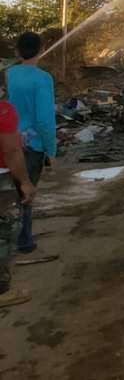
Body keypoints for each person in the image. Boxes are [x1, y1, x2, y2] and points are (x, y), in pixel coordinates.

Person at [5, 32, 56, 254]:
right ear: (41, 50)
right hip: (31, 145)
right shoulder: (43, 79)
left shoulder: (8, 74)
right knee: (26, 191)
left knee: (8, 191)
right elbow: (44, 120)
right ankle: (24, 240)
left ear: (17, 51)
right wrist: (51, 149)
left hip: (7, 140)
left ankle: (10, 236)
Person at [0, 98, 35, 307]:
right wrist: (25, 182)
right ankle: (2, 291)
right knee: (5, 233)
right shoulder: (3, 110)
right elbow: (11, 150)